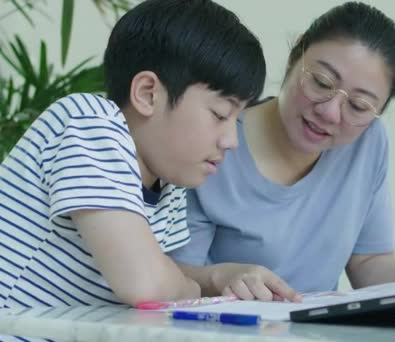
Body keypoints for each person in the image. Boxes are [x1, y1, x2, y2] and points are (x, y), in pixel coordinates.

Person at [169, 1, 395, 302]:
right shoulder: (217, 140)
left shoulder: (368, 143)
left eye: (359, 106)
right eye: (321, 82)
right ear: (295, 56)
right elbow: (175, 278)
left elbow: (369, 264)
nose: (330, 113)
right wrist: (226, 279)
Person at [0, 0, 265, 309]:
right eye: (220, 114)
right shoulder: (90, 123)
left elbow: (156, 270)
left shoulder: (169, 183)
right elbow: (146, 284)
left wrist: (216, 277)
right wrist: (193, 287)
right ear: (147, 94)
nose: (232, 141)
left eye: (238, 119)